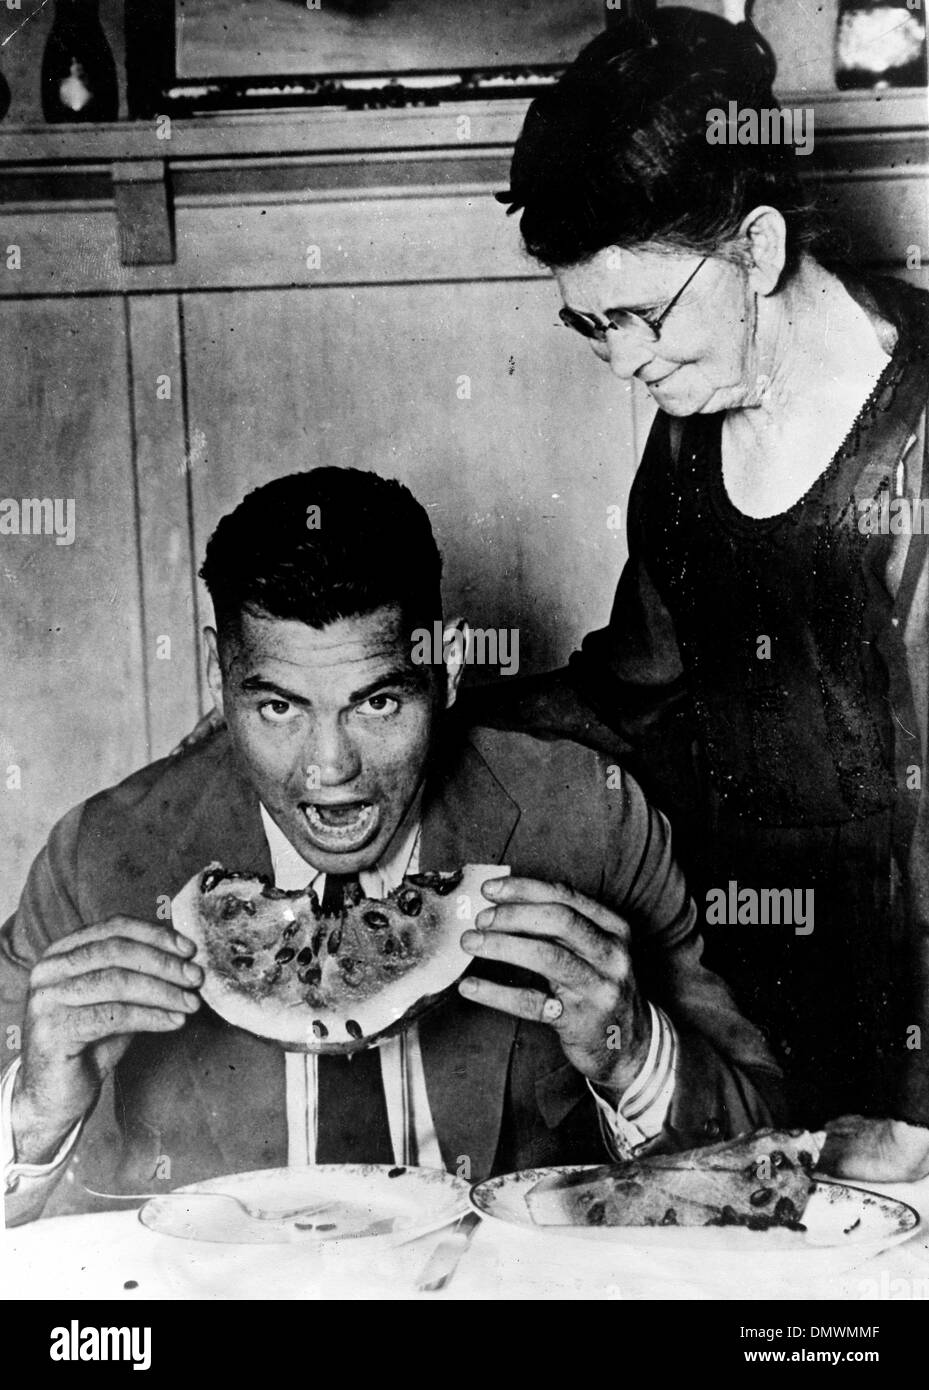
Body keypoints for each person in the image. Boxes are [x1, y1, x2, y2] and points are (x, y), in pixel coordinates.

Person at [1, 467, 786, 1226]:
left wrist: (635, 1054)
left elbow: (768, 1163)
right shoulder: (99, 855)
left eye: (377, 702)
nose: (329, 768)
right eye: (278, 707)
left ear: (443, 668)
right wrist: (31, 1114)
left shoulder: (590, 821)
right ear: (215, 673)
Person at [476, 8, 929, 1176]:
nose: (623, 363)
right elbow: (631, 695)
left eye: (641, 316)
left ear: (760, 248)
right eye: (590, 325)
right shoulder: (686, 447)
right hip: (741, 1018)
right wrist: (428, 716)